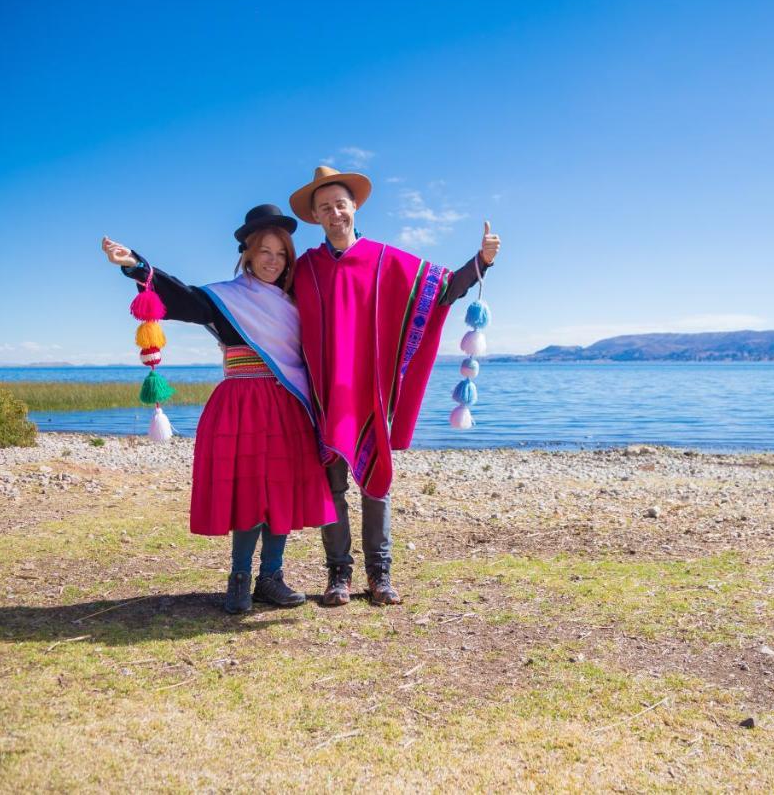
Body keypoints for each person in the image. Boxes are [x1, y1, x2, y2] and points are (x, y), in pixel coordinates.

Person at [100, 204, 336, 613]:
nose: (272, 261)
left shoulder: (297, 301)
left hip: (286, 406)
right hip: (241, 404)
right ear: (247, 252)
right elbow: (181, 298)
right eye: (265, 251)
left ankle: (271, 578)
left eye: (281, 254)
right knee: (248, 492)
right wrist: (137, 266)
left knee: (278, 491)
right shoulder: (225, 299)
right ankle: (239, 579)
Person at [288, 167, 501, 606]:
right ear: (315, 215)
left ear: (354, 207)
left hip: (369, 392)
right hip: (322, 396)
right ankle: (338, 575)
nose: (334, 212)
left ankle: (379, 574)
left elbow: (440, 289)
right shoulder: (303, 269)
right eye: (324, 206)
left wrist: (480, 262)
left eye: (340, 203)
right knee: (331, 487)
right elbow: (266, 303)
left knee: (376, 483)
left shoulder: (386, 261)